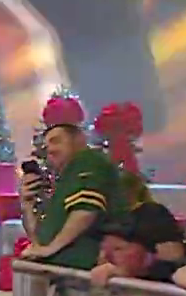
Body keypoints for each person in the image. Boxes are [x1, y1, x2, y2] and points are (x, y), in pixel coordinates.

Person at [20, 97, 121, 269]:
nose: (50, 150)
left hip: (83, 271)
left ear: (78, 139)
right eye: (46, 146)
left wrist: (51, 249)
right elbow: (40, 241)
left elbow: (86, 211)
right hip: (65, 272)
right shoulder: (65, 179)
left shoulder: (89, 161)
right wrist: (27, 205)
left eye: (56, 141)